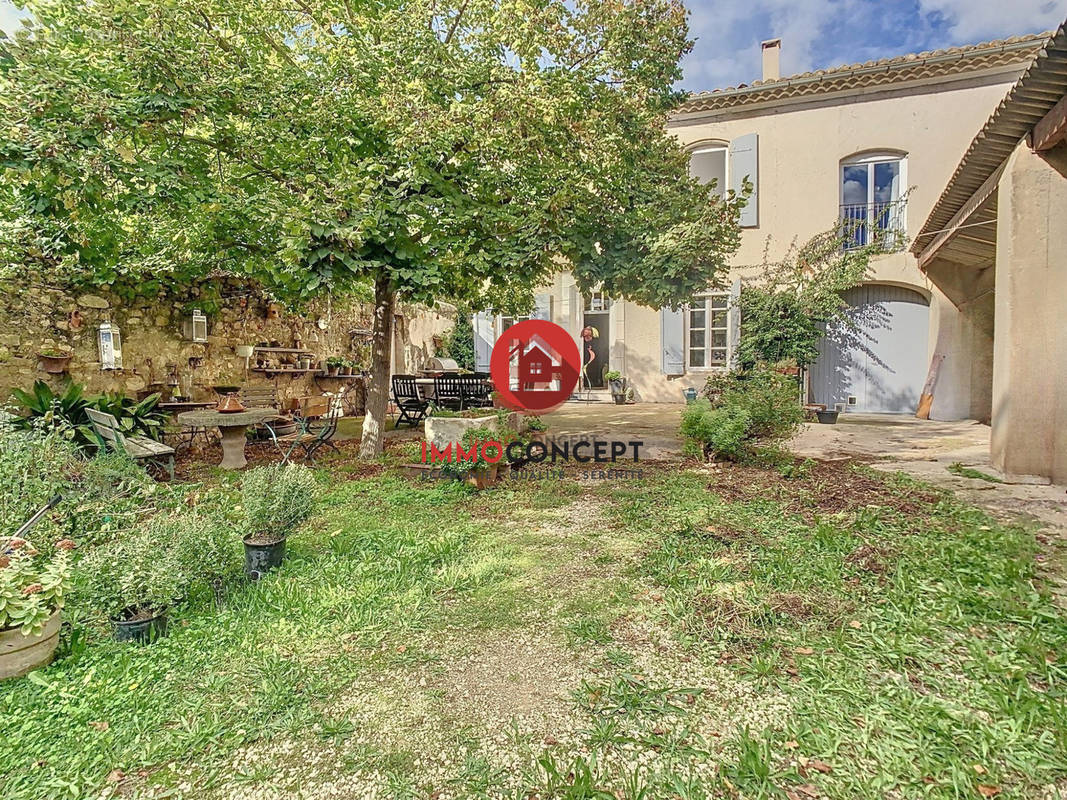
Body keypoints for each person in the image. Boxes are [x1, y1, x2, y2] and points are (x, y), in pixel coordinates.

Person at [580, 326, 599, 391]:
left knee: (592, 375)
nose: (587, 338)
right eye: (585, 336)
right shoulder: (583, 344)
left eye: (589, 336)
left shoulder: (595, 343)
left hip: (593, 364)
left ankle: (593, 385)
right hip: (586, 361)